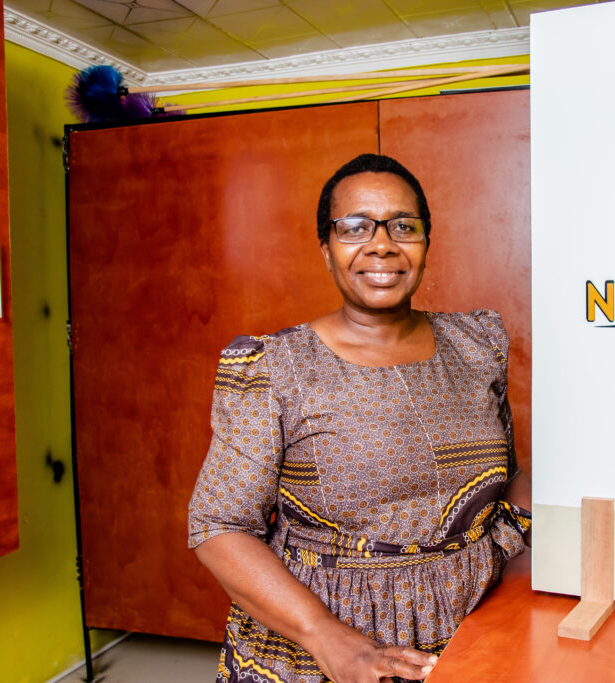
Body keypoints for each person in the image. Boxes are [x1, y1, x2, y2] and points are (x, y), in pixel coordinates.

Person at [188, 153, 532, 683]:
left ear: (426, 242)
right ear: (326, 249)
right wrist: (328, 639)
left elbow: (505, 479)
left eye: (403, 226)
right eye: (355, 227)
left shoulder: (476, 344)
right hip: (324, 648)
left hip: (473, 628)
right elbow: (220, 526)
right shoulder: (276, 367)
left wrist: (533, 560)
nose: (382, 244)